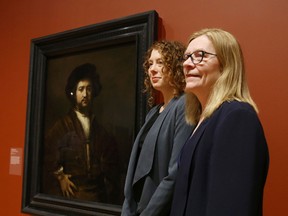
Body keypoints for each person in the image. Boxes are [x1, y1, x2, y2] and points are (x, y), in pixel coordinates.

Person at [170, 28, 269, 216]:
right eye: (187, 56)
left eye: (200, 56)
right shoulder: (203, 119)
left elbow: (231, 207)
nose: (188, 64)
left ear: (226, 64)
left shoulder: (237, 117)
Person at [121, 40, 194, 216]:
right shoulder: (154, 112)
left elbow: (176, 172)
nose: (152, 69)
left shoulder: (184, 105)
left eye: (161, 62)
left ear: (176, 66)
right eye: (150, 63)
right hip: (137, 207)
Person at [43, 63, 121, 204]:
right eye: (81, 89)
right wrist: (60, 177)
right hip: (73, 192)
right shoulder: (62, 125)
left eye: (89, 89)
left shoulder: (100, 129)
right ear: (74, 93)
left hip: (97, 193)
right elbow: (48, 152)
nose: (85, 94)